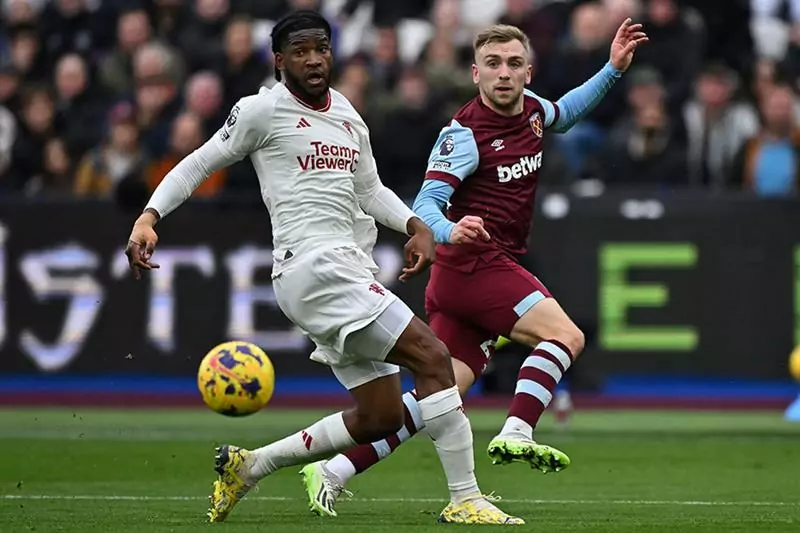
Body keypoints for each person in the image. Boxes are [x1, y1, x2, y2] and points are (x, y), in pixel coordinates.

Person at [123, 10, 523, 526]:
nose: (314, 59)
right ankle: (465, 498)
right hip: (312, 267)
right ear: (279, 60)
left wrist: (414, 225)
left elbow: (369, 190)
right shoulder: (261, 111)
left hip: (347, 268)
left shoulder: (349, 115)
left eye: (322, 48)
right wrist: (150, 216)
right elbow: (200, 161)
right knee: (434, 358)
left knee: (380, 416)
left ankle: (250, 466)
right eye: (301, 51)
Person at [300, 21, 648, 517]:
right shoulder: (463, 134)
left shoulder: (531, 112)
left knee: (436, 398)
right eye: (492, 64)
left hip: (465, 277)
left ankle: (333, 470)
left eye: (512, 64)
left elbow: (566, 113)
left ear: (528, 71)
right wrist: (449, 229)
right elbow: (427, 201)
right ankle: (517, 430)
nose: (503, 74)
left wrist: (613, 69)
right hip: (476, 264)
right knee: (566, 337)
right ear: (475, 73)